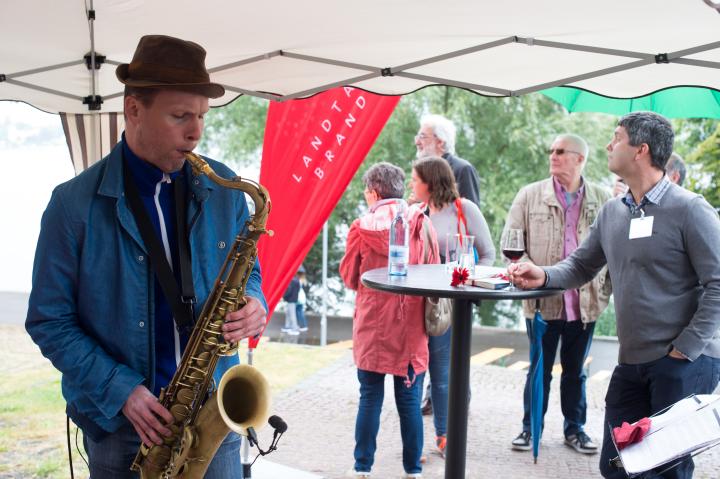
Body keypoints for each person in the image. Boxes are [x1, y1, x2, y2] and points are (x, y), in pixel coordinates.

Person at [25, 35, 267, 478]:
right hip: (124, 427)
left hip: (212, 412)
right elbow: (48, 320)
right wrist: (121, 390)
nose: (195, 132)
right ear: (133, 109)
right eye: (180, 117)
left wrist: (254, 304)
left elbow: (248, 271)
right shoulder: (72, 206)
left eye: (201, 117)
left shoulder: (224, 189)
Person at [509, 111, 720, 479]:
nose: (608, 146)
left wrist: (685, 349)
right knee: (617, 467)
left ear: (641, 150)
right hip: (633, 361)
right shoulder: (612, 212)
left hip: (685, 361)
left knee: (666, 470)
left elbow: (718, 283)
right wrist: (542, 274)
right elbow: (579, 266)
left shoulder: (690, 209)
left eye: (616, 138)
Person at [503, 134, 611, 455]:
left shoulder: (604, 199)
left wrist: (604, 292)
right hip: (541, 303)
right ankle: (530, 428)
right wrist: (523, 270)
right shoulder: (529, 195)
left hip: (585, 303)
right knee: (539, 370)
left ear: (580, 159)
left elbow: (613, 251)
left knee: (575, 373)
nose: (553, 156)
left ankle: (574, 430)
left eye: (561, 151)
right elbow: (511, 247)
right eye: (551, 150)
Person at [339, 162, 440, 479]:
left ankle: (362, 468)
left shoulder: (361, 226)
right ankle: (412, 471)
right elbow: (434, 270)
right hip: (410, 328)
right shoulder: (421, 223)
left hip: (371, 326)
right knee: (409, 403)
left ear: (372, 192)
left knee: (369, 398)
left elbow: (350, 277)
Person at [410, 156, 495, 456]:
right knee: (414, 372)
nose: (411, 184)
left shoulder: (464, 209)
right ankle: (414, 443)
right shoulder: (415, 212)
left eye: (415, 179)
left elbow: (488, 253)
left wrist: (470, 286)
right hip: (417, 302)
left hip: (449, 305)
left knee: (442, 373)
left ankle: (445, 436)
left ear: (431, 183)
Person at [415, 114, 481, 206]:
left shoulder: (463, 169)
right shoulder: (422, 173)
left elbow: (471, 216)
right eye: (417, 137)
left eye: (422, 137)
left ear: (440, 142)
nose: (417, 142)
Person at [296, 265, 309, 332]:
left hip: (298, 297)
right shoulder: (304, 280)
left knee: (299, 312)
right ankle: (302, 325)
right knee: (300, 311)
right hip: (302, 297)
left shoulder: (299, 280)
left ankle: (303, 325)